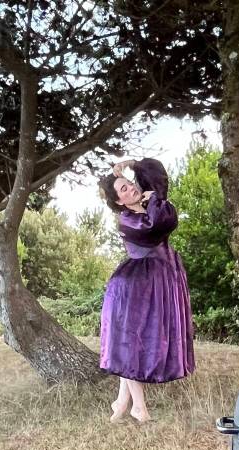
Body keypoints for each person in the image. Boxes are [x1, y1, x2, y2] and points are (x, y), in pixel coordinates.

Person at [97, 158, 195, 424]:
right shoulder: (128, 221)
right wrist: (153, 200)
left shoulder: (152, 205)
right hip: (135, 286)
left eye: (130, 184)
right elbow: (157, 227)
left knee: (131, 343)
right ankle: (138, 407)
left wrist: (132, 163)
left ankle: (121, 402)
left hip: (161, 278)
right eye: (124, 190)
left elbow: (159, 182)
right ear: (119, 202)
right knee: (130, 343)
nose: (131, 189)